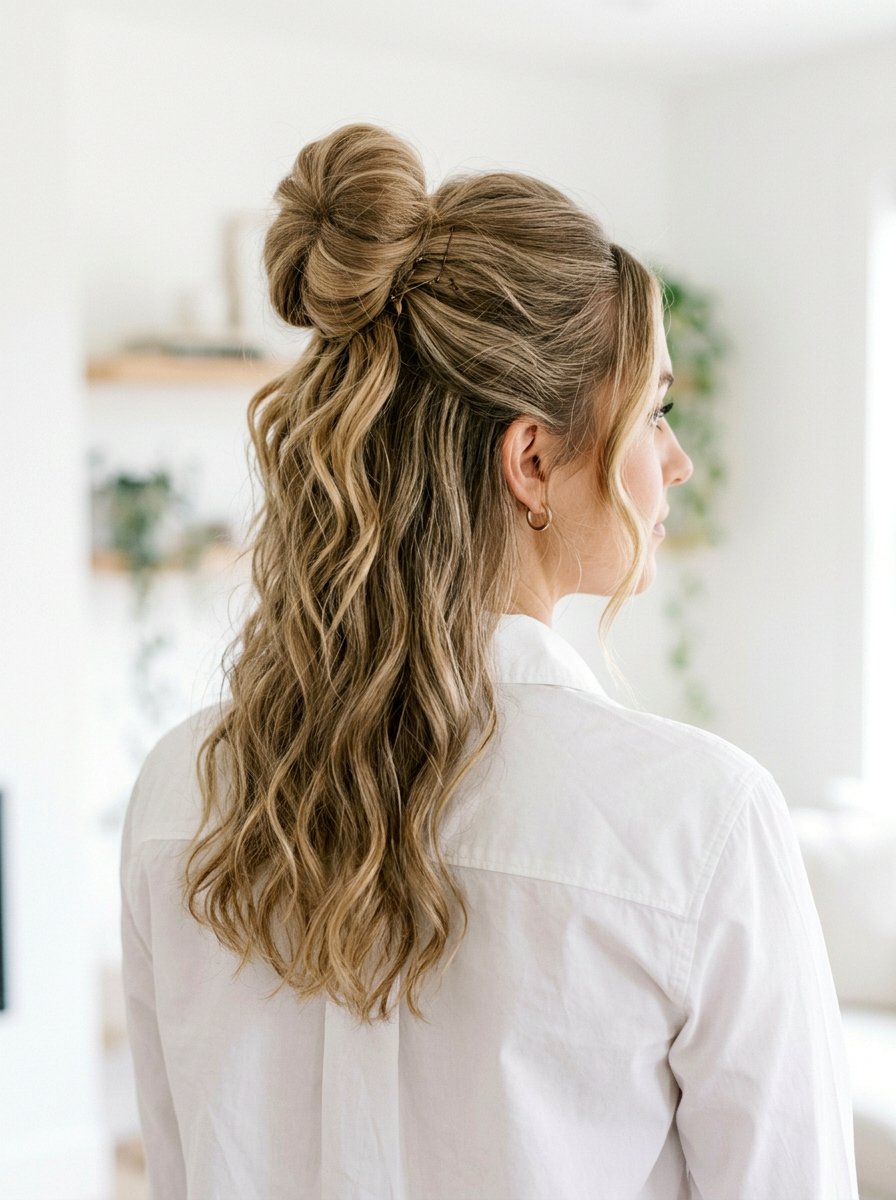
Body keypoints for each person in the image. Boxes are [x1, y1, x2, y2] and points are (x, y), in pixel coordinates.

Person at [120, 122, 859, 1199]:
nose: (675, 460)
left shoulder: (177, 794)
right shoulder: (698, 824)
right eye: (651, 410)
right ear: (531, 462)